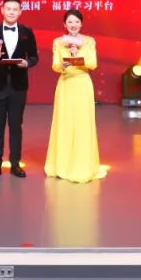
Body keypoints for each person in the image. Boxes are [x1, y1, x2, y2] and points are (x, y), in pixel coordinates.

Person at [0, 0, 39, 179]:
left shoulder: (27, 32)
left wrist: (27, 63)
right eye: (8, 9)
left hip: (18, 87)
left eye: (15, 9)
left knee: (15, 126)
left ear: (20, 12)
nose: (11, 12)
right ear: (2, 10)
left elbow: (34, 57)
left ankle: (15, 164)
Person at [44, 9, 102, 183]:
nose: (73, 25)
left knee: (82, 124)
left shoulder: (89, 41)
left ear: (81, 24)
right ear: (64, 24)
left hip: (82, 84)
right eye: (70, 22)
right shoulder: (58, 42)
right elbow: (55, 65)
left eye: (76, 22)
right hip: (66, 84)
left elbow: (92, 64)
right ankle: (62, 165)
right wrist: (63, 64)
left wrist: (76, 57)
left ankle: (82, 165)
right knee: (65, 123)